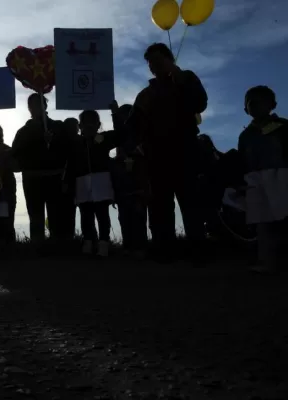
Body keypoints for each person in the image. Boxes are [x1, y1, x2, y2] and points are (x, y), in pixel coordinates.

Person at [126, 43, 208, 263]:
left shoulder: (186, 79)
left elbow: (200, 103)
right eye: (150, 63)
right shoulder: (146, 93)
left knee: (191, 206)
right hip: (157, 159)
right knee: (160, 209)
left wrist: (179, 76)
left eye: (158, 60)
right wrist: (136, 146)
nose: (154, 66)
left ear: (169, 59)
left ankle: (198, 252)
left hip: (185, 155)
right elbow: (131, 125)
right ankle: (165, 253)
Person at [238, 86, 288, 274]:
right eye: (251, 102)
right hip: (255, 181)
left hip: (282, 177)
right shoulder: (245, 136)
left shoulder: (284, 127)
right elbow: (243, 160)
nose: (255, 105)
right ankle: (265, 259)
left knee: (283, 220)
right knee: (262, 223)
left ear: (272, 105)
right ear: (245, 109)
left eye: (261, 100)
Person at [12, 94, 74, 242]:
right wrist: (38, 140)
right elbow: (16, 153)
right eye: (32, 105)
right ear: (29, 108)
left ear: (45, 106)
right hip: (32, 179)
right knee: (36, 216)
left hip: (54, 177)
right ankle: (37, 247)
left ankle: (57, 246)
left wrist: (54, 141)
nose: (35, 108)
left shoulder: (58, 126)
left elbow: (68, 150)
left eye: (38, 104)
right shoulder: (23, 132)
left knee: (56, 215)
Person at [68, 110, 117, 257]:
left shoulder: (104, 138)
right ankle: (88, 242)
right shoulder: (76, 143)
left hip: (101, 181)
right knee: (86, 214)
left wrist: (115, 114)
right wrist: (69, 183)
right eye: (85, 122)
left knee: (102, 214)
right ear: (80, 125)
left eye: (92, 122)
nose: (88, 126)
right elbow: (71, 165)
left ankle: (103, 243)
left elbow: (121, 133)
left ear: (98, 124)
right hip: (82, 182)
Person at [110, 102, 149, 259]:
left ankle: (140, 246)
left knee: (139, 216)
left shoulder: (141, 134)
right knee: (124, 218)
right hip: (123, 186)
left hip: (138, 183)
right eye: (122, 115)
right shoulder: (120, 136)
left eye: (126, 114)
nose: (124, 118)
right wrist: (114, 112)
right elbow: (118, 129)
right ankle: (128, 246)